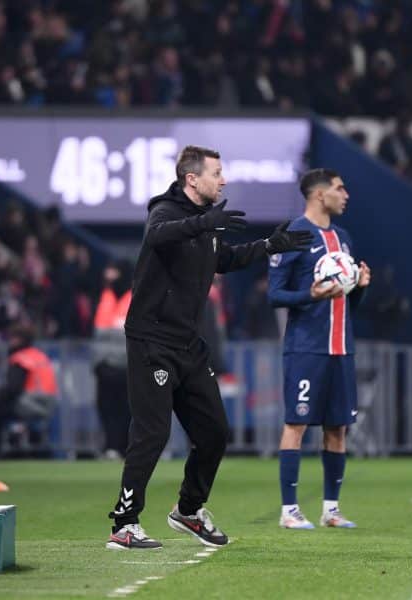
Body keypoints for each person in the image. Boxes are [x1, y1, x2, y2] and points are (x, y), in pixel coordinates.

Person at [105, 145, 312, 550]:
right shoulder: (165, 211)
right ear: (192, 179)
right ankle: (124, 524)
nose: (224, 179)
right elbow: (158, 235)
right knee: (152, 433)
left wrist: (269, 245)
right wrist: (203, 223)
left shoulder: (206, 224)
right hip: (152, 340)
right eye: (217, 172)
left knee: (215, 431)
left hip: (187, 343)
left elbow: (224, 259)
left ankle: (188, 509)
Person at [267, 169, 371, 530]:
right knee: (296, 423)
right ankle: (289, 510)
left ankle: (331, 509)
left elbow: (347, 305)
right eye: (340, 188)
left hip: (342, 347)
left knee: (337, 428)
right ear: (318, 194)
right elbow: (274, 294)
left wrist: (360, 287)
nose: (346, 195)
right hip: (306, 348)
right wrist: (307, 294)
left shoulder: (343, 239)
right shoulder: (293, 235)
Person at [0, 324, 57, 458]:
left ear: (18, 339)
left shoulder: (21, 359)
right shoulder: (39, 355)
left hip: (31, 403)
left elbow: (13, 389)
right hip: (48, 403)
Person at [92, 260, 132, 459]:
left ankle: (125, 447)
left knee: (126, 409)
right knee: (105, 407)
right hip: (104, 365)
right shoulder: (103, 297)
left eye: (113, 271)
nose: (109, 275)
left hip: (126, 365)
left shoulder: (133, 297)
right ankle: (110, 447)